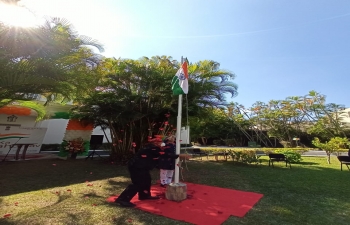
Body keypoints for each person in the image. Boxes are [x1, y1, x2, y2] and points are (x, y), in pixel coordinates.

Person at [114, 138, 164, 207]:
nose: (161, 143)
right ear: (155, 143)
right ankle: (122, 199)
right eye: (159, 142)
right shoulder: (153, 148)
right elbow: (163, 155)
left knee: (147, 179)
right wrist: (177, 156)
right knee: (138, 183)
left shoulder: (151, 148)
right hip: (137, 167)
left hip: (142, 167)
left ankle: (144, 195)